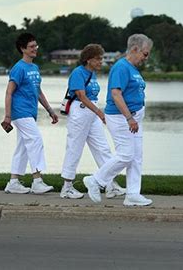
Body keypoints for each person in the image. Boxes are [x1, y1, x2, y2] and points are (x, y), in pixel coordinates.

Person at [83, 34, 153, 206]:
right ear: (135, 49)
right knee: (126, 155)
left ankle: (133, 194)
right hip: (121, 117)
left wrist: (134, 117)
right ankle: (96, 180)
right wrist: (129, 117)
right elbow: (116, 94)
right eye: (145, 53)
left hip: (134, 118)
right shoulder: (121, 67)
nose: (146, 57)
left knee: (136, 157)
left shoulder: (133, 68)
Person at [60, 44, 126, 199]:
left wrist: (97, 112)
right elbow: (81, 96)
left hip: (92, 112)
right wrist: (99, 112)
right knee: (74, 147)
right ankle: (67, 187)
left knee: (103, 148)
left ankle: (110, 185)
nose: (100, 62)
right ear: (88, 60)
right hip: (80, 111)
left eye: (101, 58)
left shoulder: (93, 74)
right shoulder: (78, 73)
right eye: (98, 59)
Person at [1, 32, 58, 194]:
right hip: (20, 112)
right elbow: (9, 92)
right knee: (36, 140)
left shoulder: (34, 67)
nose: (35, 49)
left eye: (36, 46)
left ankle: (13, 182)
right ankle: (37, 180)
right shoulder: (18, 68)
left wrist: (50, 110)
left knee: (24, 147)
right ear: (22, 49)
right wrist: (7, 116)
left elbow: (38, 91)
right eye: (31, 47)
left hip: (31, 112)